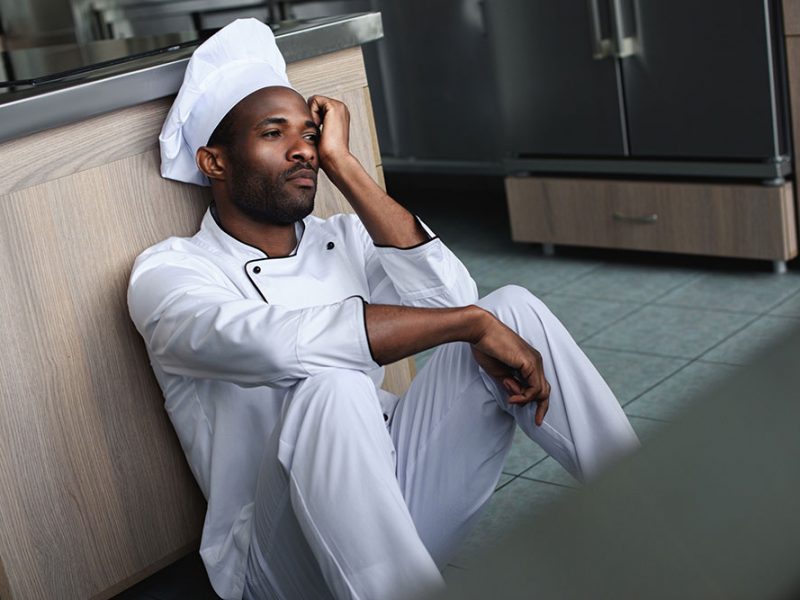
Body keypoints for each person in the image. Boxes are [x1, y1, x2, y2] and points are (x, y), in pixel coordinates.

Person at [127, 18, 639, 600]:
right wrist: (469, 324)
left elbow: (453, 302)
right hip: (274, 559)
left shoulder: (342, 235)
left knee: (512, 309)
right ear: (214, 162)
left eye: (309, 134)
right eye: (274, 134)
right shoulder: (170, 273)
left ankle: (658, 521)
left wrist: (347, 168)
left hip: (395, 499)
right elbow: (279, 343)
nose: (304, 151)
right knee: (332, 387)